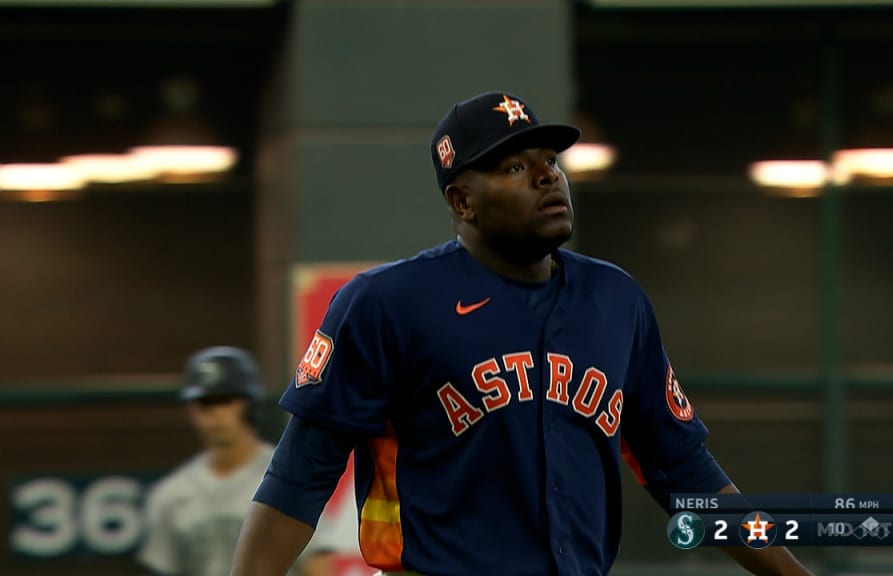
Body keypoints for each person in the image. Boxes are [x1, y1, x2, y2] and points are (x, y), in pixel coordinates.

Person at [230, 91, 813, 576]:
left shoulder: (615, 300)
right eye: (514, 167)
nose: (546, 177)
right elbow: (299, 477)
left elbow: (682, 469)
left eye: (550, 161)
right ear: (463, 201)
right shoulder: (387, 303)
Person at [138, 346, 353, 576]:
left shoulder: (288, 477)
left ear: (249, 403)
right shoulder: (170, 495)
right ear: (191, 410)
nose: (216, 413)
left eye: (225, 400)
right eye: (205, 403)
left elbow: (317, 568)